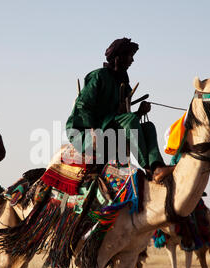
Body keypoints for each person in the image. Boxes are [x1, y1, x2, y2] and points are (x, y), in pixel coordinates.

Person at [65, 37, 174, 183]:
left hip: (110, 127)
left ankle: (157, 166)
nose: (132, 61)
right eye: (130, 56)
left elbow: (123, 119)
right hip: (85, 132)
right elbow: (82, 106)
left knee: (148, 127)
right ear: (118, 58)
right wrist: (93, 129)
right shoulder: (98, 76)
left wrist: (140, 112)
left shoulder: (123, 83)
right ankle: (148, 167)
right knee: (130, 120)